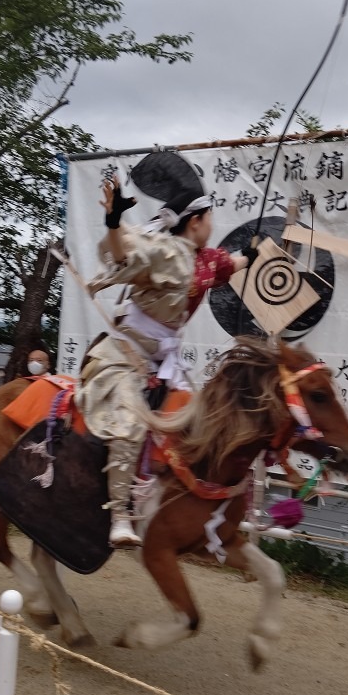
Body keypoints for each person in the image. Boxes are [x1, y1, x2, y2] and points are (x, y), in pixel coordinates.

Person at [75, 170, 258, 548]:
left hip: (167, 361)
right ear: (196, 221)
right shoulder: (161, 250)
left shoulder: (207, 260)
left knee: (202, 425)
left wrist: (253, 254)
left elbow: (231, 265)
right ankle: (120, 515)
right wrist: (113, 223)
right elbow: (123, 253)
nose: (213, 225)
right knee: (128, 423)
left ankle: (183, 509)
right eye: (210, 218)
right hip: (128, 354)